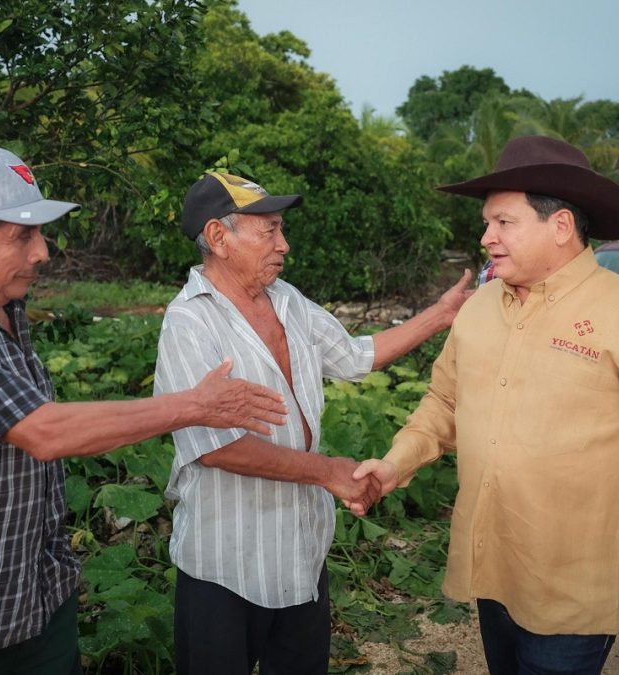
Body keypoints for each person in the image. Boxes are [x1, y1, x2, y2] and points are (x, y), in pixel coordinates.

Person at [0, 144, 290, 675]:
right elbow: (43, 433)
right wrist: (196, 404)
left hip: (32, 599)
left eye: (41, 233)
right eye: (22, 235)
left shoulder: (4, 310)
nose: (42, 252)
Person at [353, 136, 619, 675]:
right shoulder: (480, 309)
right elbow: (444, 403)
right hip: (492, 569)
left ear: (561, 226)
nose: (486, 237)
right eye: (487, 222)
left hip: (573, 592)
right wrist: (395, 463)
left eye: (503, 222)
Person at [154, 171, 470, 675]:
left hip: (299, 552)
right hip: (224, 562)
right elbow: (216, 448)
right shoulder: (190, 322)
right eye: (270, 231)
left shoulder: (287, 300)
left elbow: (354, 356)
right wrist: (326, 471)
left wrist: (441, 314)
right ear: (218, 238)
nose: (284, 244)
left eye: (281, 229)